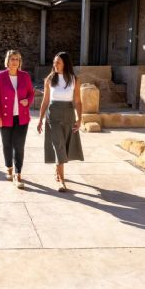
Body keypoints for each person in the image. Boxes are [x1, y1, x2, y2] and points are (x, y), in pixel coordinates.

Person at [37, 52, 83, 192]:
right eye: (54, 63)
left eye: (58, 63)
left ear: (65, 64)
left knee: (65, 145)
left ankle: (58, 170)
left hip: (68, 114)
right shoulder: (50, 79)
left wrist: (79, 118)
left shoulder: (74, 79)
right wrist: (40, 119)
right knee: (59, 146)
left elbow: (77, 101)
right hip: (53, 115)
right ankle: (62, 180)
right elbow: (45, 101)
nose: (55, 65)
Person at [0, 49, 34, 189]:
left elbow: (31, 94)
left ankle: (18, 174)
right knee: (7, 144)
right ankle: (9, 168)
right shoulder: (0, 76)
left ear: (19, 61)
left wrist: (27, 101)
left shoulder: (25, 76)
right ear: (7, 61)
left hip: (22, 117)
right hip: (5, 117)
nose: (14, 61)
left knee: (19, 146)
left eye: (17, 59)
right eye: (12, 59)